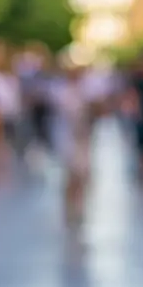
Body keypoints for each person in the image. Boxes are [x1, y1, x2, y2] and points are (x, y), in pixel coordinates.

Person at [50, 62, 93, 225]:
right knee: (70, 174)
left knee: (81, 174)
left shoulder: (85, 91)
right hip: (66, 137)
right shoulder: (61, 92)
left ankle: (79, 205)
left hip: (82, 138)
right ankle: (69, 206)